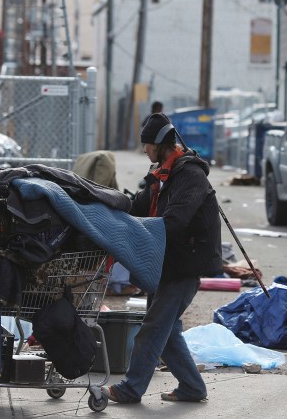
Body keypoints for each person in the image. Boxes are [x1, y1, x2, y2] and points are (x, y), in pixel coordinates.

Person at [102, 112, 221, 404]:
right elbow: (138, 206)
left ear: (159, 144)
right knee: (166, 333)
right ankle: (192, 387)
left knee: (153, 329)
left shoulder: (190, 176)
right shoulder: (162, 176)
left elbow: (174, 221)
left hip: (183, 267)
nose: (145, 150)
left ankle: (130, 389)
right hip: (166, 265)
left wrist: (135, 234)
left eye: (147, 144)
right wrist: (107, 209)